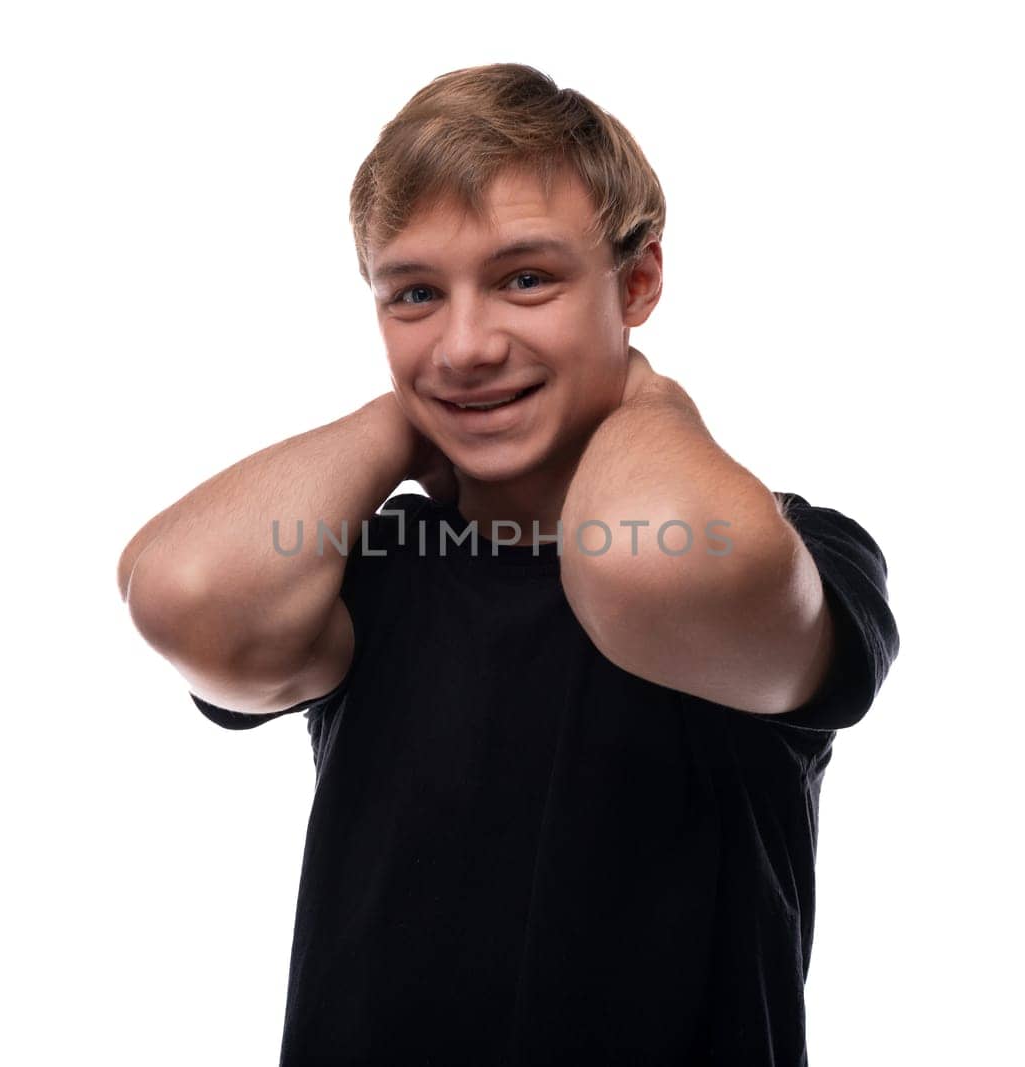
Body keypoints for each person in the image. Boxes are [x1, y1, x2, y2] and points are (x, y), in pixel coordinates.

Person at [117, 62, 900, 1066]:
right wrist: (397, 425)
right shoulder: (378, 565)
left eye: (525, 278)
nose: (467, 344)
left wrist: (648, 401)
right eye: (413, 294)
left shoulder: (779, 544)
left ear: (638, 281)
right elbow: (181, 588)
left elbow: (640, 565)